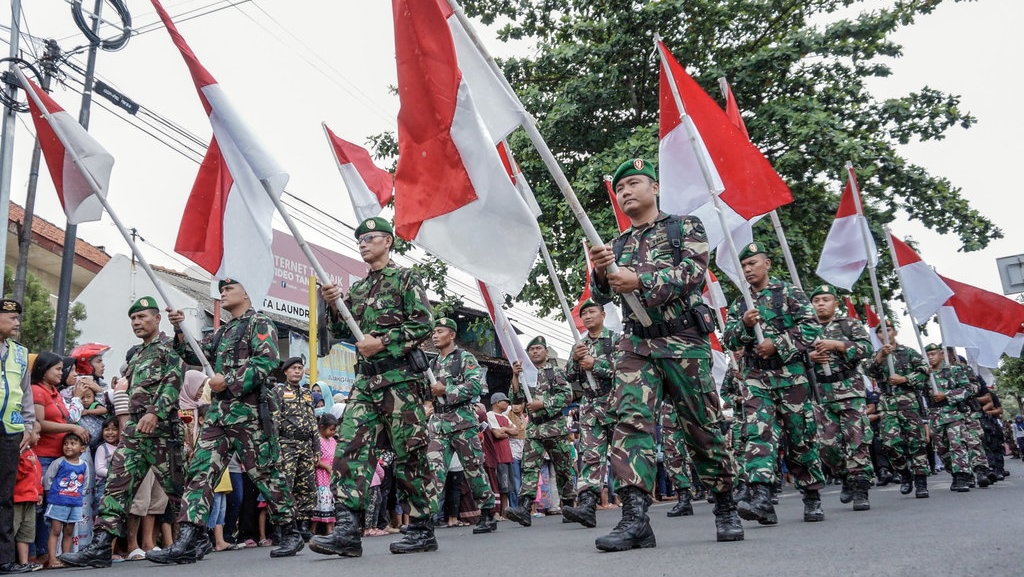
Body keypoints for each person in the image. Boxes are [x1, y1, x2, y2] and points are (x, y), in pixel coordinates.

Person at [590, 159, 742, 550]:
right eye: (620, 187)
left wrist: (640, 279)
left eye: (634, 183)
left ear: (654, 188)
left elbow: (694, 271)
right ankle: (635, 517)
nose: (626, 192)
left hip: (683, 341)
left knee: (701, 425)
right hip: (637, 345)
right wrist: (599, 272)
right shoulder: (618, 244)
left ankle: (725, 505)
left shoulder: (683, 227)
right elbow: (604, 296)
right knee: (630, 423)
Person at [151, 282, 304, 563]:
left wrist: (229, 380)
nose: (223, 291)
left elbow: (267, 362)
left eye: (230, 287)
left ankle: (289, 530)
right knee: (200, 472)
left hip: (249, 414)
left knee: (265, 474)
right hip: (219, 414)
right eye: (222, 288)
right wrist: (179, 330)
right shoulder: (223, 331)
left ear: (247, 292)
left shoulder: (259, 322)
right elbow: (193, 354)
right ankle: (188, 537)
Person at [312, 216, 436, 557]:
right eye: (360, 240)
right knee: (349, 450)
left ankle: (423, 526)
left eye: (371, 238)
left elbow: (423, 324)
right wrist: (334, 304)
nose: (363, 244)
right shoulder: (360, 288)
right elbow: (343, 331)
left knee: (409, 453)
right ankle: (348, 532)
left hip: (400, 381)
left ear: (388, 242)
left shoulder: (407, 278)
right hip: (366, 381)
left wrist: (382, 342)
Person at [60, 297, 186, 568]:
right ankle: (101, 546)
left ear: (156, 318)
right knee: (116, 487)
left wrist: (155, 412)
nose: (137, 322)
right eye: (133, 319)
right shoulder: (137, 355)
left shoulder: (168, 347)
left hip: (162, 431)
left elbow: (173, 380)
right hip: (134, 433)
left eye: (142, 317)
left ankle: (191, 538)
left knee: (177, 489)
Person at [724, 241, 825, 525]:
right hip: (756, 378)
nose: (748, 269)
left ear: (767, 263)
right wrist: (743, 324)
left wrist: (778, 344)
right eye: (743, 266)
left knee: (800, 438)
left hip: (791, 376)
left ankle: (812, 494)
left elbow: (810, 327)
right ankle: (762, 498)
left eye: (752, 263)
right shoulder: (740, 302)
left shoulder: (789, 293)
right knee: (758, 434)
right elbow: (728, 340)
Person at [424, 318, 497, 535]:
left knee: (474, 468)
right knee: (433, 469)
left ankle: (487, 512)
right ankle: (426, 519)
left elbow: (476, 385)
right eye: (434, 332)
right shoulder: (432, 364)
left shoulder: (465, 358)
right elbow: (428, 393)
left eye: (440, 331)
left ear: (452, 334)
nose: (435, 335)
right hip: (439, 425)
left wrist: (446, 390)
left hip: (463, 423)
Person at [807, 284, 874, 511]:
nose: (821, 304)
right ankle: (844, 474)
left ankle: (860, 487)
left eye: (826, 299)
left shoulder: (849, 325)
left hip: (849, 390)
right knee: (827, 445)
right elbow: (794, 357)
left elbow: (866, 349)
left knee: (856, 439)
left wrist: (838, 345)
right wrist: (810, 357)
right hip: (822, 394)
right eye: (816, 300)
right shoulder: (805, 329)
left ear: (835, 303)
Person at [503, 337, 577, 528]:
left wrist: (543, 403)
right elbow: (515, 399)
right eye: (531, 349)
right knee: (529, 468)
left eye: (538, 348)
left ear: (546, 351)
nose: (535, 352)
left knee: (563, 469)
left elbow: (567, 395)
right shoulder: (525, 374)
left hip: (554, 426)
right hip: (534, 428)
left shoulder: (555, 372)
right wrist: (515, 377)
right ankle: (524, 508)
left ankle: (568, 505)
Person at [562, 300, 619, 527]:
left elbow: (624, 368)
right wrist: (576, 360)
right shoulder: (579, 344)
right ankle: (587, 504)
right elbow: (568, 375)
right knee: (590, 456)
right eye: (583, 313)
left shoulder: (615, 339)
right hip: (589, 406)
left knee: (625, 454)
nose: (587, 316)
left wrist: (595, 364)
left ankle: (635, 501)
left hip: (615, 404)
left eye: (591, 311)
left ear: (603, 314)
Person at [865, 320, 931, 498]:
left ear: (895, 332)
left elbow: (925, 371)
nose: (884, 333)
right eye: (880, 331)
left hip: (908, 400)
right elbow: (868, 372)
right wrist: (880, 357)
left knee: (916, 442)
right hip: (887, 403)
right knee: (889, 443)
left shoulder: (908, 352)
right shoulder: (876, 355)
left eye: (888, 329)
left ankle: (921, 480)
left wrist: (905, 379)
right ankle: (904, 473)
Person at [0, 298, 34, 576]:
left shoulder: (20, 354)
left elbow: (26, 394)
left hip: (10, 432)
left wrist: (29, 424)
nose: (17, 323)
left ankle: (4, 559)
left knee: (4, 497)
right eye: (11, 318)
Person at [273, 357, 318, 540]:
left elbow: (313, 422)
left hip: (306, 445)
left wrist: (316, 449)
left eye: (300, 368)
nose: (297, 371)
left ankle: (303, 524)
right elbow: (274, 420)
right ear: (285, 371)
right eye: (293, 368)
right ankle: (283, 528)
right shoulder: (278, 391)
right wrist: (275, 448)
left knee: (306, 486)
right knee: (286, 485)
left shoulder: (307, 393)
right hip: (287, 444)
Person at [923, 344, 974, 491]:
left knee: (957, 445)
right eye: (928, 355)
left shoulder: (954, 371)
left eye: (933, 354)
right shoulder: (925, 374)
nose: (931, 357)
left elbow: (969, 389)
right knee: (942, 449)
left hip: (953, 413)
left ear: (941, 354)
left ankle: (962, 476)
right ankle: (954, 473)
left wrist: (947, 395)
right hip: (935, 417)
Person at [43, 433, 89, 569]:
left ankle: (66, 558)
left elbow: (85, 483)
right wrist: (51, 496)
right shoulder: (59, 462)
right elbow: (48, 479)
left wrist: (79, 496)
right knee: (55, 530)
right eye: (66, 444)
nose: (68, 446)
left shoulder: (84, 465)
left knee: (69, 531)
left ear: (82, 448)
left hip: (75, 503)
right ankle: (52, 559)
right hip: (58, 502)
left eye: (73, 443)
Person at [13, 430, 41, 572]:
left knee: (26, 532)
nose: (39, 436)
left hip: (31, 498)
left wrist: (39, 492)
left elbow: (37, 476)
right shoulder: (17, 452)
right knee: (13, 529)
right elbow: (13, 476)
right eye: (36, 433)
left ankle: (24, 562)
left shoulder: (33, 453)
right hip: (18, 498)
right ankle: (8, 561)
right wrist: (27, 465)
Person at [483, 393, 516, 516]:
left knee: (507, 487)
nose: (507, 403)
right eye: (505, 401)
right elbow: (496, 434)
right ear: (497, 402)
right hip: (498, 455)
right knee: (499, 484)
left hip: (507, 455)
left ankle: (504, 512)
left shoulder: (504, 417)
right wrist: (508, 431)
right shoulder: (490, 415)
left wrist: (505, 430)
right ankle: (498, 512)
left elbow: (517, 431)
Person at [312, 414, 337, 536]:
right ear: (321, 427)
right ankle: (313, 529)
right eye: (330, 429)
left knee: (331, 501)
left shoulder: (333, 441)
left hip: (331, 475)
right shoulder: (317, 440)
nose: (333, 432)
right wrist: (326, 466)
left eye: (334, 430)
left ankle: (330, 529)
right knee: (322, 500)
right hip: (321, 474)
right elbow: (314, 459)